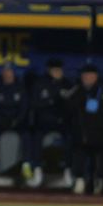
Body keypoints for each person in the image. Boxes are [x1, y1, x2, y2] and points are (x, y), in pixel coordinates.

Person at [65, 63, 103, 195]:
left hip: (101, 133)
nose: (88, 78)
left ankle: (100, 180)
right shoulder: (76, 91)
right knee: (79, 155)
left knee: (102, 158)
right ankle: (80, 180)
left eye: (90, 75)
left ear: (96, 76)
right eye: (85, 75)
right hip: (82, 134)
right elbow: (67, 109)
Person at [27, 58, 73, 188]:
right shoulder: (40, 83)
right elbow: (35, 104)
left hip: (63, 123)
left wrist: (63, 105)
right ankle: (37, 172)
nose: (58, 72)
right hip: (44, 122)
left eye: (59, 70)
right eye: (55, 70)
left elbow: (72, 106)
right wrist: (52, 100)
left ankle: (68, 173)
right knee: (35, 137)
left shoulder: (67, 84)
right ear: (49, 70)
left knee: (71, 137)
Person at [0, 63, 29, 182]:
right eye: (6, 71)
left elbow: (24, 109)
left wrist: (17, 121)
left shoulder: (20, 88)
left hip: (17, 122)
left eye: (10, 71)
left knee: (26, 135)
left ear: (13, 73)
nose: (8, 74)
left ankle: (26, 165)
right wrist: (1, 121)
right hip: (0, 122)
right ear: (2, 73)